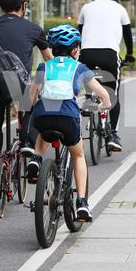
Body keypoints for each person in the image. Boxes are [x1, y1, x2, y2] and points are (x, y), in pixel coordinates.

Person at [26, 25, 111, 222]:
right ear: (74, 49)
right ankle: (81, 203)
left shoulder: (44, 67)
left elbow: (33, 94)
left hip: (44, 115)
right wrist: (103, 106)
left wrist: (36, 104)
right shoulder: (79, 68)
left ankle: (36, 160)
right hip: (68, 117)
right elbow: (103, 94)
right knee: (78, 155)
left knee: (44, 134)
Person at [0, 0, 52, 198]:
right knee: (36, 103)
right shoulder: (33, 29)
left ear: (1, 6)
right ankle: (28, 142)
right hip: (19, 86)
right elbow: (49, 60)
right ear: (23, 6)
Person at [77, 0, 135, 152]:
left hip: (86, 53)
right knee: (113, 94)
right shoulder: (120, 8)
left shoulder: (86, 8)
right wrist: (129, 55)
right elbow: (128, 35)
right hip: (109, 55)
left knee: (86, 74)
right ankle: (113, 135)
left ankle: (89, 99)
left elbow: (78, 33)